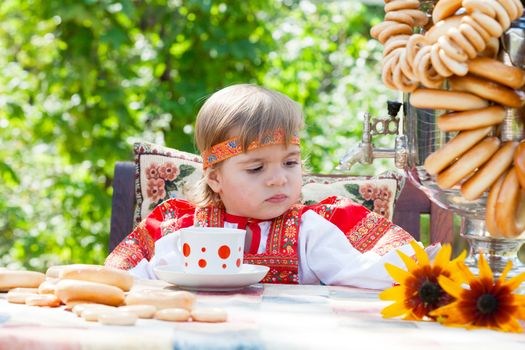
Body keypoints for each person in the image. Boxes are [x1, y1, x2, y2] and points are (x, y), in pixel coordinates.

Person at [105, 84, 437, 289]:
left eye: (290, 163)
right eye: (256, 167)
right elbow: (120, 280)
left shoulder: (312, 230)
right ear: (215, 177)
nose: (279, 178)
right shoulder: (179, 230)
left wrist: (418, 268)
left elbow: (374, 270)